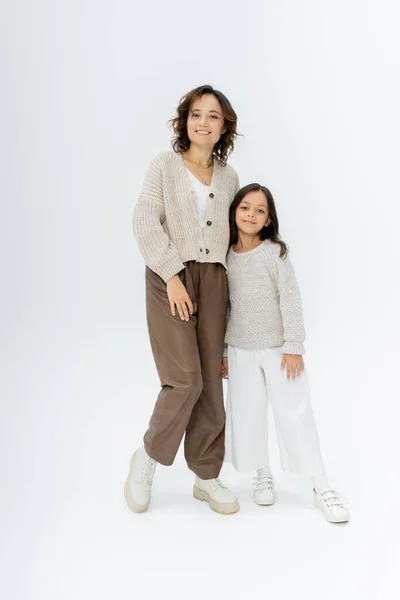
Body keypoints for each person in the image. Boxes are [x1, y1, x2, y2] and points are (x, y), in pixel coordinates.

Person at [124, 85, 241, 514]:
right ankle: (148, 457)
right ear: (184, 120)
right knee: (185, 379)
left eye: (212, 116)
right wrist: (172, 276)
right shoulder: (164, 165)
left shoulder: (229, 176)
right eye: (196, 114)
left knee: (211, 382)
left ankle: (206, 476)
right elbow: (144, 219)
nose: (203, 122)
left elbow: (234, 243)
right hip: (169, 274)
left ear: (223, 125)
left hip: (215, 281)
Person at [222, 183, 350, 523]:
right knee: (247, 413)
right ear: (234, 211)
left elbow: (290, 297)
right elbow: (225, 306)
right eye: (245, 207)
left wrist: (293, 346)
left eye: (260, 210)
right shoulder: (225, 256)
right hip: (239, 348)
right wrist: (223, 351)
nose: (251, 214)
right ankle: (261, 471)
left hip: (279, 349)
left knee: (295, 412)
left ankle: (320, 485)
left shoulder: (274, 252)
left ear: (268, 219)